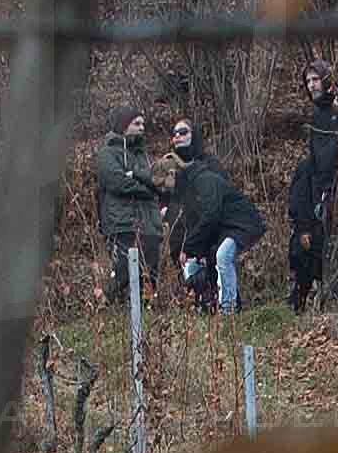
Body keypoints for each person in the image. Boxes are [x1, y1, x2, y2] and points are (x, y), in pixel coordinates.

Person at [170, 117, 258, 315]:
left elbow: (216, 208)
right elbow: (178, 207)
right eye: (174, 133)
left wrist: (198, 242)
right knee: (192, 271)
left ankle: (230, 311)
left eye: (183, 132)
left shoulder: (210, 166)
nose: (177, 136)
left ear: (194, 135)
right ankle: (205, 309)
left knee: (220, 260)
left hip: (218, 229)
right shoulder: (175, 170)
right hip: (191, 233)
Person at [286, 76, 338, 309]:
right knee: (304, 252)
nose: (311, 84)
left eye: (315, 79)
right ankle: (302, 299)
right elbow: (299, 198)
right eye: (307, 80)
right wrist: (303, 226)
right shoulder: (307, 168)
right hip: (315, 199)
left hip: (335, 188)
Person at [96, 111, 168, 308]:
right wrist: (146, 188)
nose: (142, 128)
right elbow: (117, 183)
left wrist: (139, 179)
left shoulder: (143, 155)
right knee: (123, 270)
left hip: (150, 223)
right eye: (137, 123)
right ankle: (103, 304)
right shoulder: (107, 153)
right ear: (124, 125)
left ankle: (146, 312)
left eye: (143, 124)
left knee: (150, 272)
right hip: (121, 223)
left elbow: (159, 182)